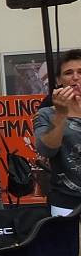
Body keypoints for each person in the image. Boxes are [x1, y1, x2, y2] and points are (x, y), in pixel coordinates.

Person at [34, 49, 81, 216]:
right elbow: (46, 150)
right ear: (59, 80)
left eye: (80, 72)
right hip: (66, 201)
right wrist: (61, 114)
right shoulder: (46, 113)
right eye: (69, 73)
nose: (75, 77)